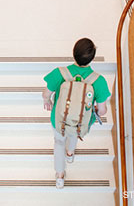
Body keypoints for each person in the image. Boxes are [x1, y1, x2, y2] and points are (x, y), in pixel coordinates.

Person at [42, 38, 111, 189]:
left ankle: (60, 177)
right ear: (92, 58)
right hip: (80, 122)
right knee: (74, 133)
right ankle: (70, 154)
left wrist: (47, 101)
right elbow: (102, 110)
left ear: (74, 54)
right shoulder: (99, 81)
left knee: (59, 142)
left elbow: (46, 94)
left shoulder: (59, 73)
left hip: (59, 119)